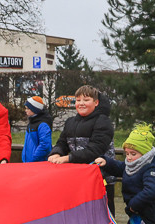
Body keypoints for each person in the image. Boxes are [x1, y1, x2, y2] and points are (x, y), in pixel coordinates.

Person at [95, 122, 155, 224]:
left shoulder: (152, 169)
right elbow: (121, 168)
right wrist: (107, 162)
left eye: (133, 154)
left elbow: (151, 191)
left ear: (145, 153)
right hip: (135, 213)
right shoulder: (133, 164)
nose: (129, 157)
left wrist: (133, 205)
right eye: (127, 153)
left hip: (146, 216)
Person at [48, 85, 117, 213]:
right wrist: (56, 153)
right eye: (78, 100)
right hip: (77, 178)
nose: (81, 103)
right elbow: (62, 142)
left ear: (96, 102)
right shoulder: (70, 122)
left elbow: (95, 150)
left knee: (101, 215)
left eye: (86, 100)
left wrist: (68, 158)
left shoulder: (103, 122)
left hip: (100, 179)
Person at [21, 96, 53, 163]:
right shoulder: (32, 122)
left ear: (34, 109)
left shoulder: (43, 125)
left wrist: (34, 158)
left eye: (28, 108)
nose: (25, 110)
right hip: (29, 162)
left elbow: (45, 145)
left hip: (37, 163)